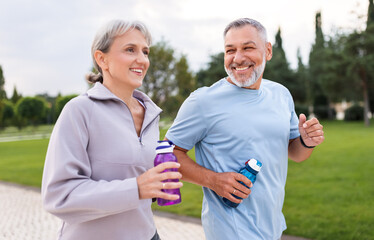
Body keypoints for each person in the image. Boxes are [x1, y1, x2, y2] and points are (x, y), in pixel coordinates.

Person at [165, 18, 324, 240]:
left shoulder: (280, 94)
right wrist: (213, 180)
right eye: (230, 50)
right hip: (230, 232)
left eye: (248, 48)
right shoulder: (203, 101)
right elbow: (166, 154)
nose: (238, 58)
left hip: (272, 227)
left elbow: (296, 154)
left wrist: (307, 141)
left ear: (267, 50)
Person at [42, 19, 182, 240]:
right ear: (101, 59)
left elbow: (137, 178)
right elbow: (59, 196)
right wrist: (136, 188)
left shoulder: (151, 114)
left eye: (145, 52)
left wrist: (156, 186)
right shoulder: (79, 110)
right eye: (130, 50)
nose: (142, 60)